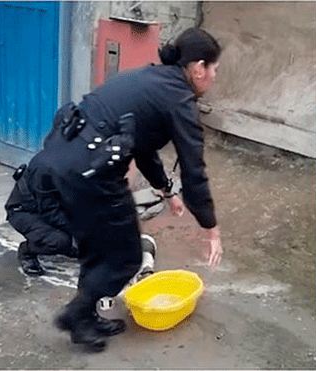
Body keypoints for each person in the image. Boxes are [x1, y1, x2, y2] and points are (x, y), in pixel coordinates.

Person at [18, 27, 225, 352]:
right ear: (198, 68)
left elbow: (141, 147)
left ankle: (84, 321)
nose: (213, 77)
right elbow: (194, 170)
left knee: (97, 247)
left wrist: (165, 190)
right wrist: (211, 227)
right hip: (92, 171)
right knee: (126, 256)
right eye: (214, 69)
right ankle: (75, 314)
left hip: (64, 157)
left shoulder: (150, 79)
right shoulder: (179, 100)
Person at [5, 154, 78, 276]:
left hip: (49, 207)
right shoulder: (47, 170)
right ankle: (27, 251)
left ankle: (69, 245)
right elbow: (50, 211)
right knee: (59, 241)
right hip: (23, 211)